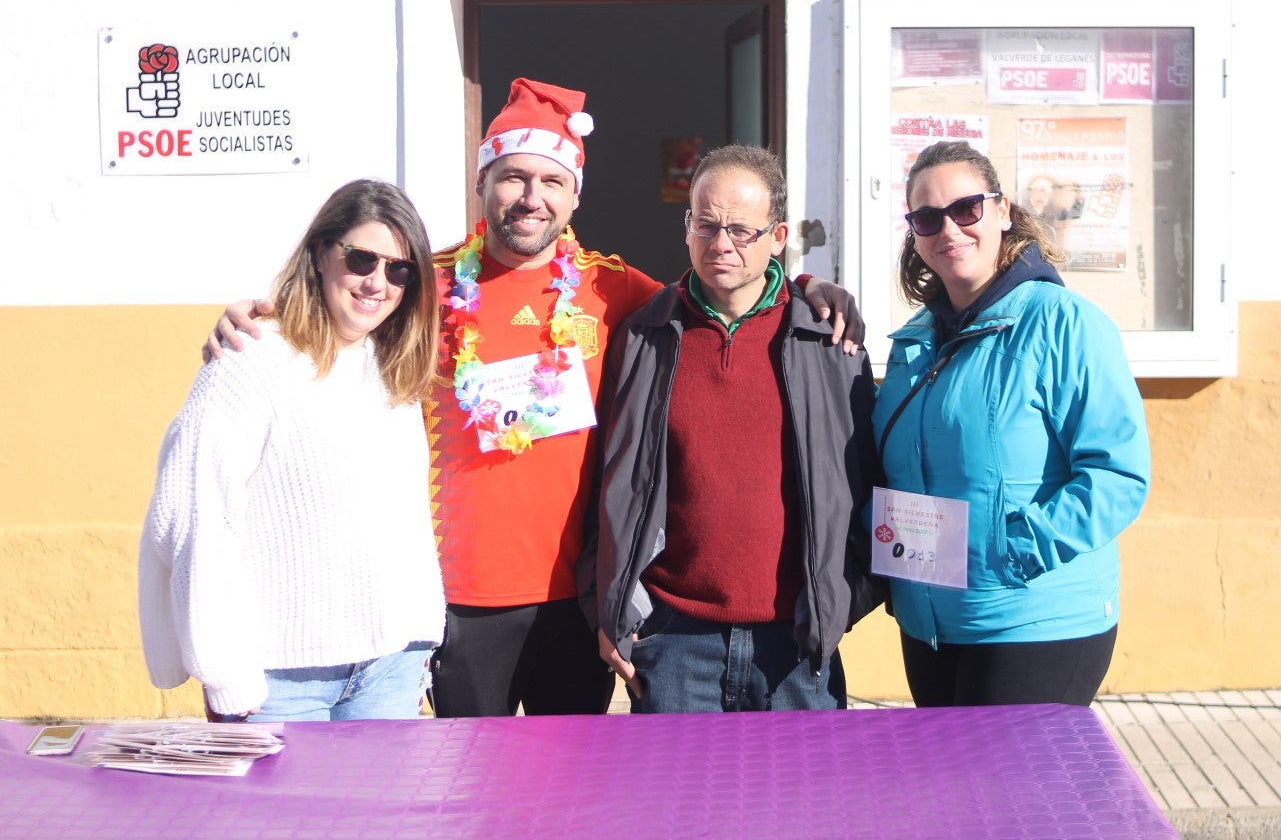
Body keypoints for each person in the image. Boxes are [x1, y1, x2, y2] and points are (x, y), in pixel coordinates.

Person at [202, 79, 864, 718]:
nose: (531, 197)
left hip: (577, 602)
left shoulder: (615, 291)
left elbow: (724, 286)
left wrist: (807, 289)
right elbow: (343, 310)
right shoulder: (422, 287)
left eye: (551, 180)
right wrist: (262, 319)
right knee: (471, 782)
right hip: (457, 601)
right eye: (513, 177)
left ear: (575, 196)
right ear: (481, 184)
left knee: (574, 782)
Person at [584, 145, 884, 713]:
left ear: (778, 237)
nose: (721, 243)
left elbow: (868, 482)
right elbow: (605, 485)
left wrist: (842, 603)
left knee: (806, 779)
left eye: (742, 230)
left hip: (797, 647)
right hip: (673, 643)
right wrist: (609, 608)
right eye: (706, 224)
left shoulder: (829, 342)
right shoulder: (643, 337)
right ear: (687, 227)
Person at [138, 179, 446, 722]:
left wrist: (420, 639)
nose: (377, 282)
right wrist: (225, 674)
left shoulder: (395, 368)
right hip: (278, 683)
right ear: (321, 254)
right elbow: (195, 513)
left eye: (400, 270)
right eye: (361, 258)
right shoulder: (249, 359)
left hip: (391, 671)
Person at [874, 140, 1149, 708]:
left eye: (966, 209)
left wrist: (1010, 551)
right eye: (928, 217)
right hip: (932, 623)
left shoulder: (1064, 323)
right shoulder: (915, 341)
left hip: (1035, 619)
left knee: (1006, 772)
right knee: (947, 771)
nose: (949, 229)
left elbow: (1118, 476)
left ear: (1002, 211)